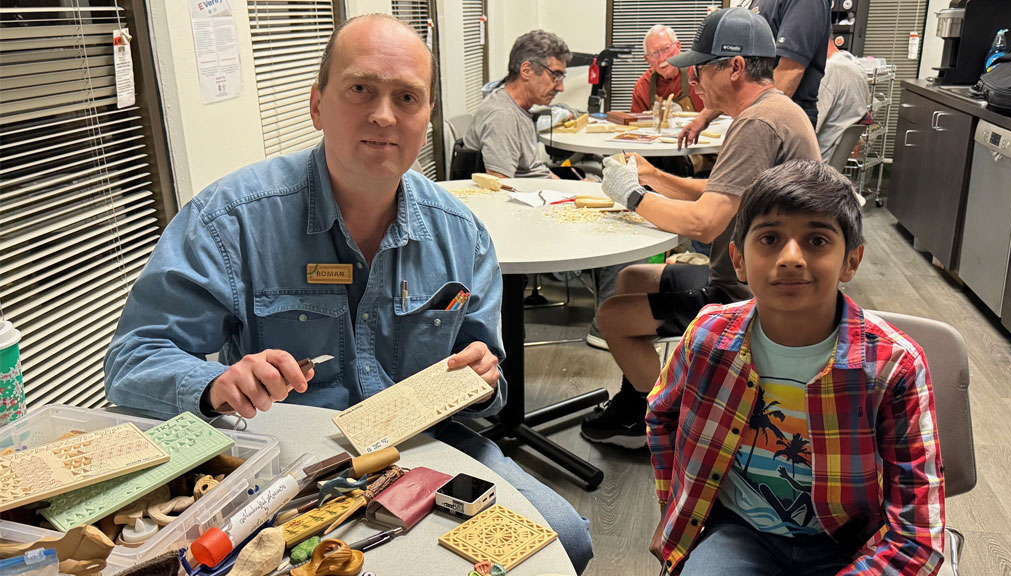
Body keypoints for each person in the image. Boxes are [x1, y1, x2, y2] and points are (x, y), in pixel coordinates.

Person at [103, 14, 593, 574]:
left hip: (424, 448)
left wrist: (482, 383)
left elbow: (492, 386)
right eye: (360, 89)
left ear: (426, 115)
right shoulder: (230, 220)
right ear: (318, 104)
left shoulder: (462, 235)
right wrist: (215, 382)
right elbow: (133, 359)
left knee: (566, 537)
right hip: (284, 462)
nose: (384, 115)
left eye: (407, 97)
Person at [647, 160, 945, 575]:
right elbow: (661, 413)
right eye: (769, 238)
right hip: (740, 531)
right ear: (738, 259)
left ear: (851, 261)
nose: (790, 258)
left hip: (850, 541)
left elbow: (917, 535)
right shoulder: (708, 336)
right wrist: (673, 507)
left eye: (817, 240)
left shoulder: (894, 365)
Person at [581, 7, 821, 449]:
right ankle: (638, 399)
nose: (695, 83)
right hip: (759, 277)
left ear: (735, 67)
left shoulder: (756, 125)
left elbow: (706, 223)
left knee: (611, 317)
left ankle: (674, 425)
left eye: (702, 70)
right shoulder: (772, 111)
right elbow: (720, 190)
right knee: (633, 277)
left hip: (756, 295)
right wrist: (654, 175)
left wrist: (630, 195)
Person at [679, 0, 830, 145]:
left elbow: (791, 69)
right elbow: (740, 78)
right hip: (759, 116)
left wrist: (753, 123)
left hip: (779, 121)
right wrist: (703, 118)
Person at [462, 30, 570, 179]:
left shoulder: (519, 108)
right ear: (526, 70)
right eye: (555, 76)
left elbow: (534, 169)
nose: (560, 87)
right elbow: (500, 189)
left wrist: (573, 190)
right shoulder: (503, 116)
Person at [816, 36, 869, 163]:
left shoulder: (829, 71)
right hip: (829, 166)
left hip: (811, 168)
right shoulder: (854, 65)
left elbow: (806, 130)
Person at [630, 24, 704, 114]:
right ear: (647, 59)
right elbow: (636, 124)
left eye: (666, 49)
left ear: (678, 46)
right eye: (655, 53)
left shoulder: (698, 75)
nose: (662, 58)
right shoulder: (643, 86)